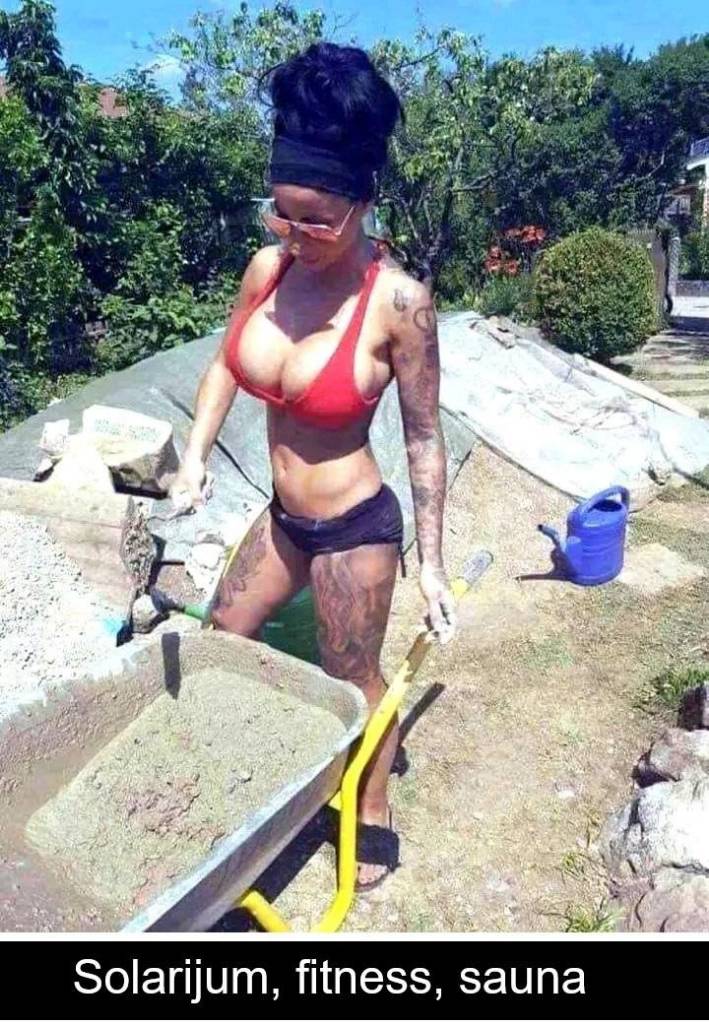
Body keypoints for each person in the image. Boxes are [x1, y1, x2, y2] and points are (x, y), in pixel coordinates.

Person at [171, 42, 456, 891]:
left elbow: (423, 438)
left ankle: (370, 806)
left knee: (350, 675)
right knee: (220, 638)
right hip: (283, 516)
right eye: (282, 215)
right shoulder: (269, 270)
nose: (297, 236)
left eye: (317, 221)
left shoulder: (400, 304)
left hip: (353, 527)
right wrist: (193, 460)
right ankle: (240, 771)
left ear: (362, 201)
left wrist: (432, 566)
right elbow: (224, 365)